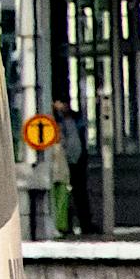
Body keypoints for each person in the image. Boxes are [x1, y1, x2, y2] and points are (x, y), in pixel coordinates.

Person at [55, 97, 93, 236]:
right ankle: (67, 224)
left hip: (76, 162)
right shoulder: (56, 120)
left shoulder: (76, 119)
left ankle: (85, 224)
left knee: (80, 194)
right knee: (66, 194)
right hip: (63, 163)